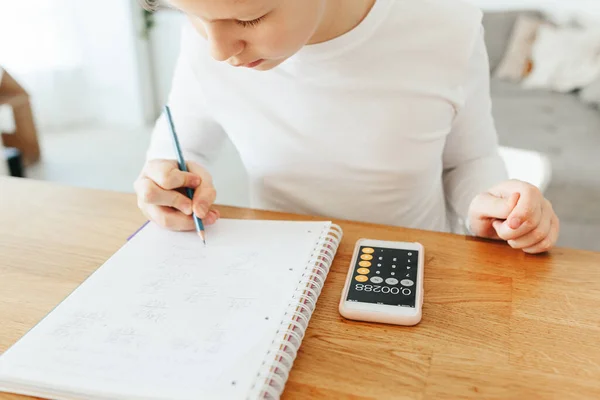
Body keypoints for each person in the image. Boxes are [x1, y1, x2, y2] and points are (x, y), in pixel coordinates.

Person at [134, 0, 560, 254]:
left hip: (414, 267)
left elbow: (470, 159)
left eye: (248, 18)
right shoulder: (208, 37)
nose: (218, 49)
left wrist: (489, 207)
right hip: (281, 267)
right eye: (191, 13)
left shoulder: (446, 24)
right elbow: (182, 143)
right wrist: (168, 180)